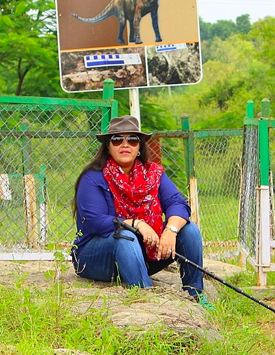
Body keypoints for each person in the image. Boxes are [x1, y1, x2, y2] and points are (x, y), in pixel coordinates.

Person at [71, 115, 206, 302]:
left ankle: (196, 296)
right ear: (108, 147)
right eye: (117, 139)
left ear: (139, 147)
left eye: (132, 139)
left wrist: (171, 230)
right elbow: (94, 222)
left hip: (143, 255)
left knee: (188, 230)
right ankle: (147, 299)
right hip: (96, 257)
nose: (125, 144)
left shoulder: (154, 173)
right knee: (126, 236)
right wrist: (135, 223)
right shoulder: (93, 177)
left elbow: (178, 203)